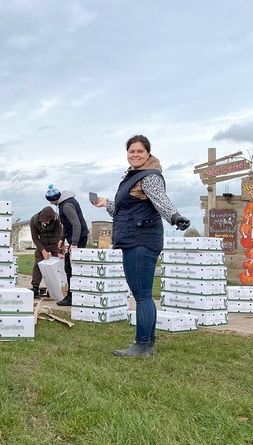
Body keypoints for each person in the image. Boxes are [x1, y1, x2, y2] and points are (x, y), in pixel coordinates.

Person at [92, 135, 190, 357]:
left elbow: (160, 200)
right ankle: (149, 344)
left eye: (140, 151)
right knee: (143, 294)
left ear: (148, 153)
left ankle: (142, 344)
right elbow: (127, 210)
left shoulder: (149, 176)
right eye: (131, 151)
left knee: (143, 295)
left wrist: (175, 217)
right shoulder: (134, 176)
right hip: (135, 237)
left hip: (141, 240)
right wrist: (106, 203)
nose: (135, 155)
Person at [45, 184, 89, 306]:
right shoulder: (64, 203)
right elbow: (66, 224)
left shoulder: (67, 205)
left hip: (78, 239)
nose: (52, 204)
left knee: (70, 267)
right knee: (69, 266)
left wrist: (74, 243)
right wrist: (62, 238)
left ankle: (72, 297)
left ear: (53, 199)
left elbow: (76, 224)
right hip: (75, 238)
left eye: (51, 201)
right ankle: (73, 295)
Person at [29, 206, 64, 299]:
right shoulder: (33, 220)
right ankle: (35, 288)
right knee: (38, 264)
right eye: (46, 220)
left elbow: (58, 235)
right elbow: (35, 238)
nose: (48, 222)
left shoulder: (57, 219)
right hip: (42, 243)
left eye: (50, 220)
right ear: (41, 219)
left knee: (58, 265)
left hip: (55, 244)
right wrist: (42, 250)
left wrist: (59, 251)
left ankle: (55, 289)